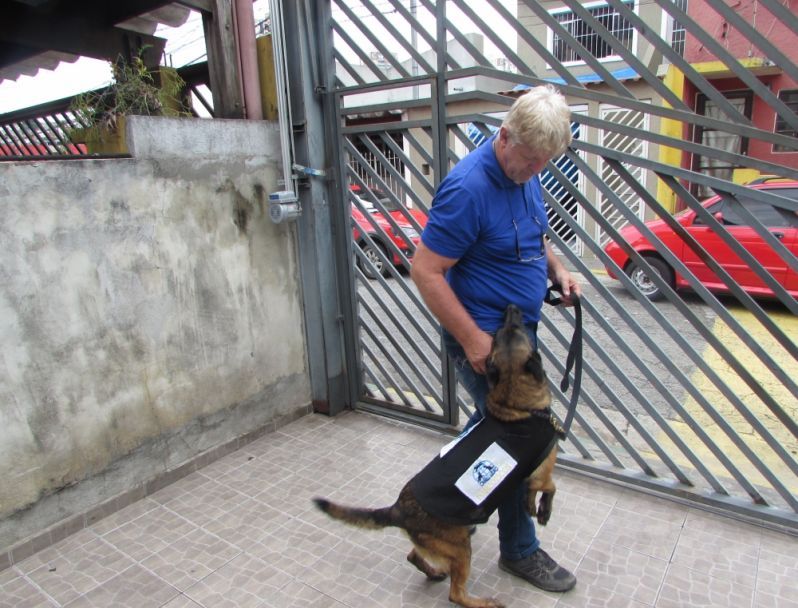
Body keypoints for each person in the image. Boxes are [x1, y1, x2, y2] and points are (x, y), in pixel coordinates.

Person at [410, 85, 581, 593]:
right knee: (514, 443)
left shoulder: (525, 174)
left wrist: (558, 271)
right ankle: (519, 550)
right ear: (504, 136)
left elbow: (534, 236)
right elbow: (426, 271)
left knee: (492, 437)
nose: (533, 172)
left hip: (517, 335)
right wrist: (472, 340)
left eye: (542, 165)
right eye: (528, 161)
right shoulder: (468, 189)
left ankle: (434, 531)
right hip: (487, 342)